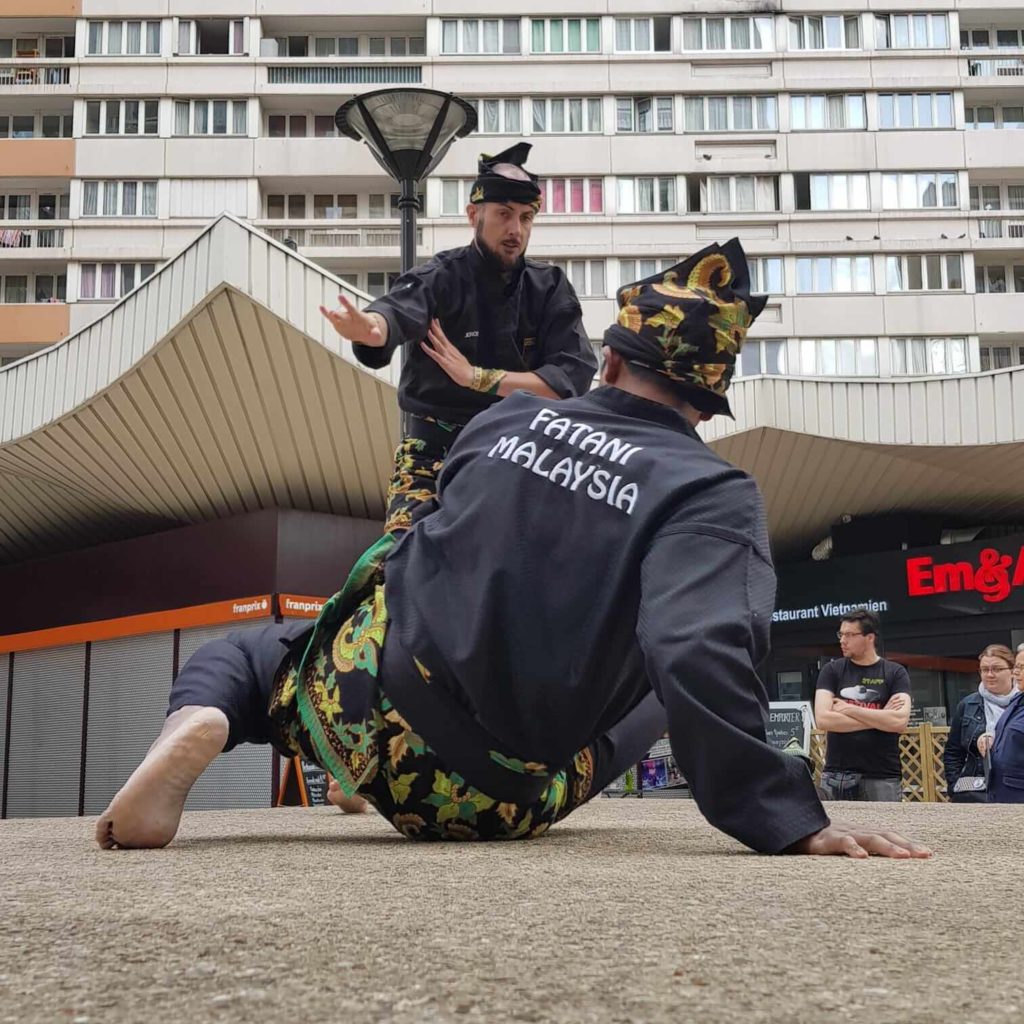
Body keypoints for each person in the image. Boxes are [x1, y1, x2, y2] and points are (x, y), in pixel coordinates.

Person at [97, 239, 929, 861]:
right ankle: (385, 764)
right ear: (710, 404)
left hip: (359, 700)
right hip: (475, 794)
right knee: (662, 680)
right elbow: (695, 650)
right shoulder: (708, 490)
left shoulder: (504, 420)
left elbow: (437, 530)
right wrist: (786, 820)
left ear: (607, 359)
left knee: (247, 656)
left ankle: (219, 721)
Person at [320, 142, 597, 534]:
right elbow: (398, 310)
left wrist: (477, 378)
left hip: (521, 453)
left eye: (526, 217)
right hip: (431, 453)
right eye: (503, 215)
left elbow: (571, 378)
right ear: (474, 215)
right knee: (398, 564)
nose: (515, 230)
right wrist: (371, 329)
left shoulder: (549, 287)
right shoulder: (441, 276)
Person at [813, 609, 912, 802]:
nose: (842, 640)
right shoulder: (831, 671)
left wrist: (850, 709)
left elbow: (899, 722)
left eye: (850, 635)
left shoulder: (895, 672)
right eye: (841, 634)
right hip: (837, 776)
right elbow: (823, 719)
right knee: (838, 832)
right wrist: (881, 716)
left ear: (869, 638)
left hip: (882, 776)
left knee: (884, 831)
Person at [944, 644, 1018, 802]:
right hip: (975, 792)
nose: (990, 675)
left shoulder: (1020, 705)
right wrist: (954, 785)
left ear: (1012, 671)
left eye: (997, 669)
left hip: (1015, 790)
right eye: (985, 669)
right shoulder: (967, 705)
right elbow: (953, 752)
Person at [988, 646, 1024, 803]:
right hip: (1002, 793)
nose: (1016, 672)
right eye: (1016, 666)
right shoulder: (1017, 700)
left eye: (1022, 667)